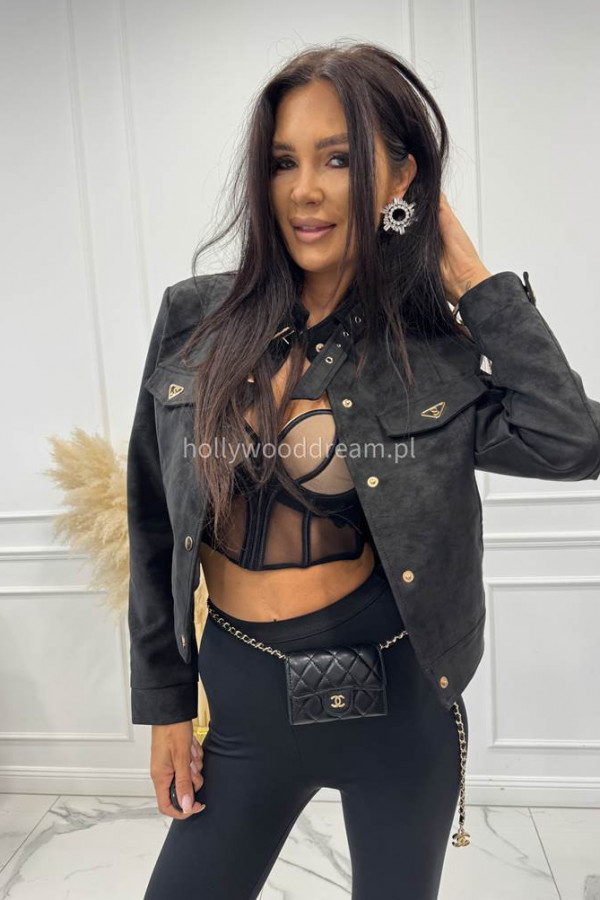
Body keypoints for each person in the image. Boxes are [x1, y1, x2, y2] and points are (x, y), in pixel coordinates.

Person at [126, 42, 600, 900]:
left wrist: (474, 278)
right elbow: (152, 516)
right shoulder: (196, 319)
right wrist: (166, 705)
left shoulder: (430, 353)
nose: (305, 190)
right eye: (284, 162)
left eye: (339, 160)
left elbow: (573, 440)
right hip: (242, 711)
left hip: (399, 710)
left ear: (398, 178)